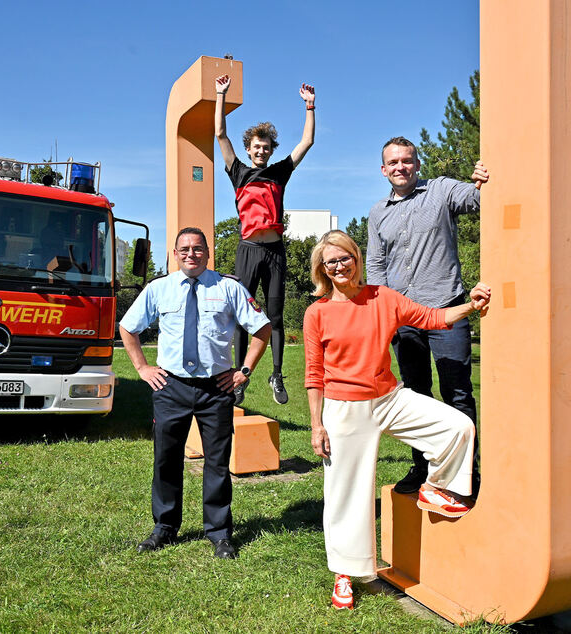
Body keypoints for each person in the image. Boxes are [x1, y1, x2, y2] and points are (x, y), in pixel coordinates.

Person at [304, 230, 491, 610]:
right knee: (347, 496)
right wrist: (316, 424)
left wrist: (470, 306)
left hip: (389, 398)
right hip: (343, 410)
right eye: (331, 262)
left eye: (345, 258)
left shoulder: (382, 297)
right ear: (322, 270)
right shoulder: (317, 312)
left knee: (458, 426)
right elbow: (313, 373)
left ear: (357, 258)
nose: (340, 266)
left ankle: (436, 486)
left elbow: (432, 318)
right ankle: (345, 574)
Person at [119, 227, 271, 560]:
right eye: (184, 249)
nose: (191, 253)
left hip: (215, 388)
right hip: (170, 386)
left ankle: (219, 533)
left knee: (217, 463)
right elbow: (128, 327)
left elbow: (262, 328)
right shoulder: (159, 289)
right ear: (175, 253)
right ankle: (164, 527)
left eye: (198, 248)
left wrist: (244, 371)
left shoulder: (228, 288)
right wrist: (143, 368)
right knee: (166, 459)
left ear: (207, 251)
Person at [366, 136, 489, 495]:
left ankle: (466, 474)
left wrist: (481, 177)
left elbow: (476, 198)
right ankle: (422, 467)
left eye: (407, 161)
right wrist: (384, 312)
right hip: (404, 320)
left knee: (458, 392)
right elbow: (375, 264)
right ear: (383, 170)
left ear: (417, 164)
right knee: (416, 396)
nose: (400, 167)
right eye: (393, 163)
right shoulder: (378, 213)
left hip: (446, 309)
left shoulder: (441, 190)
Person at [214, 73, 316, 406]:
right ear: (248, 150)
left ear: (272, 151)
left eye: (266, 147)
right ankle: (239, 376)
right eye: (256, 147)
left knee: (274, 316)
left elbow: (306, 144)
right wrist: (220, 95)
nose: (261, 151)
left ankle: (276, 374)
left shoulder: (279, 172)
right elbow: (219, 133)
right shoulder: (239, 172)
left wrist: (309, 107)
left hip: (274, 251)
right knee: (243, 316)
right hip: (248, 250)